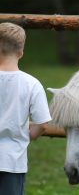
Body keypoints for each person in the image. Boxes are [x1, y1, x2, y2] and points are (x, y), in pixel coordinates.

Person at [0, 22, 51, 195]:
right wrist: (29, 135)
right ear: (21, 53)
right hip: (13, 161)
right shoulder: (32, 84)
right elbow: (43, 124)